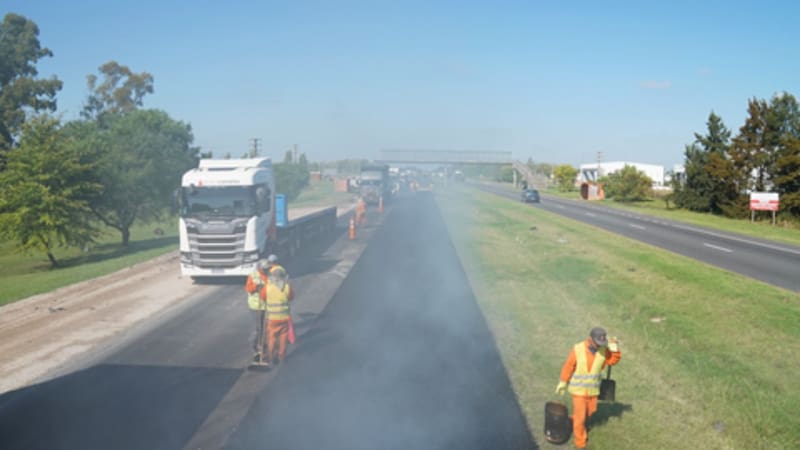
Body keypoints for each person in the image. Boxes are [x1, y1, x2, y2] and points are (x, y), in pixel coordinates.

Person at [555, 327, 621, 450]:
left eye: (601, 343)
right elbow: (568, 366)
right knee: (580, 418)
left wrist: (615, 350)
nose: (598, 346)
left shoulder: (603, 350)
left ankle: (570, 421)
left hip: (593, 391)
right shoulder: (578, 349)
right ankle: (580, 442)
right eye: (597, 343)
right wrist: (563, 381)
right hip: (578, 391)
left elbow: (612, 361)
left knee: (589, 413)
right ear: (590, 339)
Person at [244, 254, 282, 362]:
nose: (267, 270)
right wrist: (256, 287)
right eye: (265, 269)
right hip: (256, 307)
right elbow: (248, 289)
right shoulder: (253, 275)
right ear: (260, 268)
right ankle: (255, 348)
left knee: (267, 328)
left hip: (267, 305)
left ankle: (264, 346)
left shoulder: (270, 274)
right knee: (258, 329)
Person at [264, 264, 294, 366]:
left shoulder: (267, 287)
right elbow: (291, 297)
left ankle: (271, 357)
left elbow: (263, 297)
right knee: (283, 337)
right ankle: (282, 355)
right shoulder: (286, 287)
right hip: (284, 318)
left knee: (272, 338)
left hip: (272, 318)